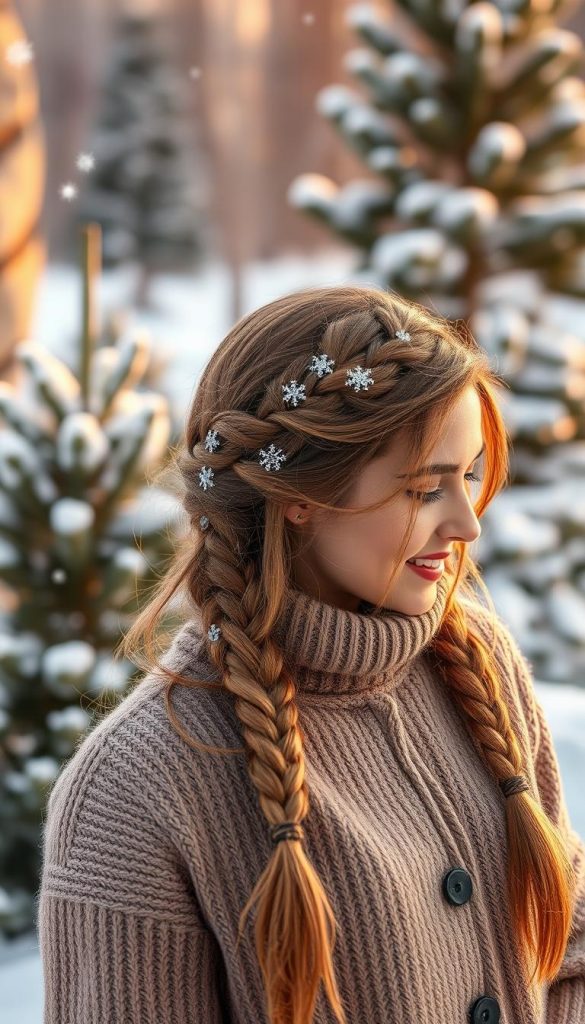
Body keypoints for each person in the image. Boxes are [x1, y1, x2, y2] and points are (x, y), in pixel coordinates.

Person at [37, 285, 585, 1024]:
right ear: (300, 496)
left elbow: (571, 951)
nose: (466, 524)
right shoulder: (134, 790)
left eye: (470, 475)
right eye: (424, 490)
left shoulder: (479, 669)